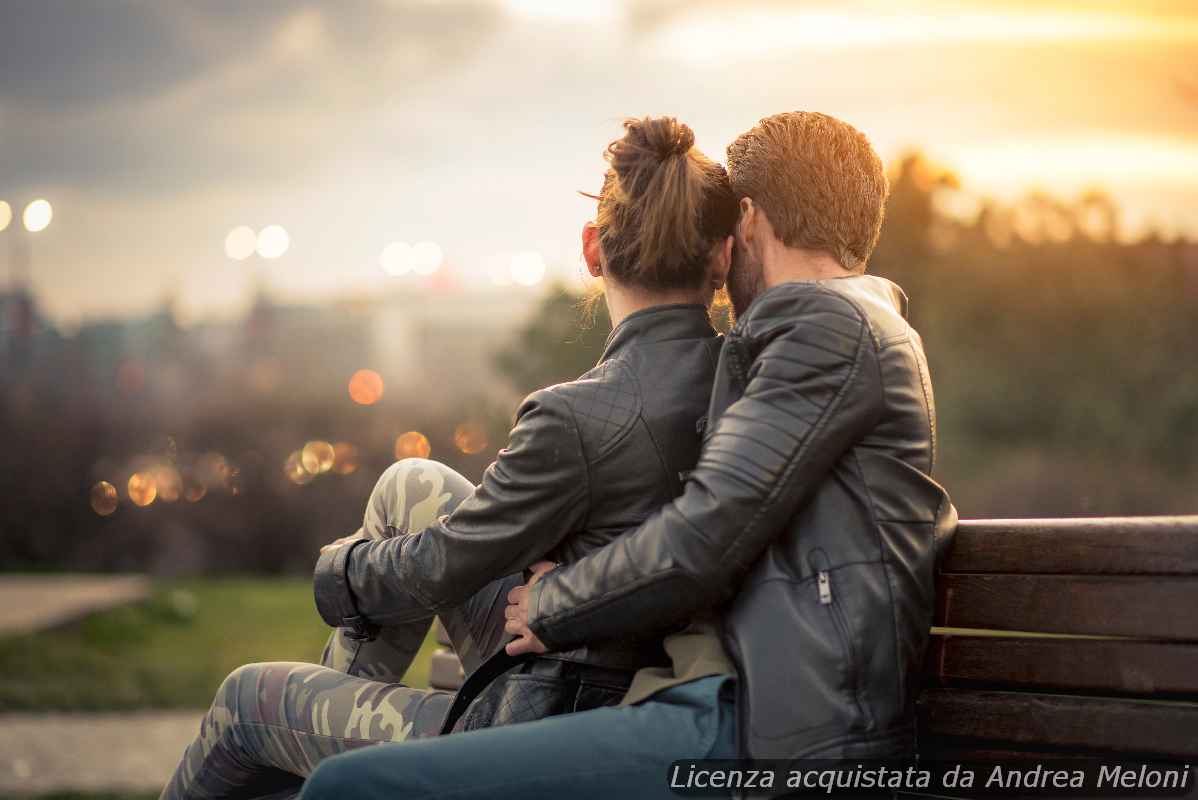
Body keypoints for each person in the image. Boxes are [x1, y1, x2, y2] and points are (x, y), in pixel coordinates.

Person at [300, 111, 956, 800]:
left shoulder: (829, 327)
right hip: (755, 714)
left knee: (347, 787)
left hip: (759, 736)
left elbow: (703, 533)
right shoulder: (835, 330)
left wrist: (553, 600)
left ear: (751, 222)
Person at [159, 115, 739, 800]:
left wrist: (337, 570)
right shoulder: (752, 382)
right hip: (624, 666)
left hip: (547, 717)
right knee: (413, 483)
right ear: (723, 259)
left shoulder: (576, 416)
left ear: (592, 250)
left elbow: (443, 565)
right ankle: (340, 718)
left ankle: (330, 753)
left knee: (243, 699)